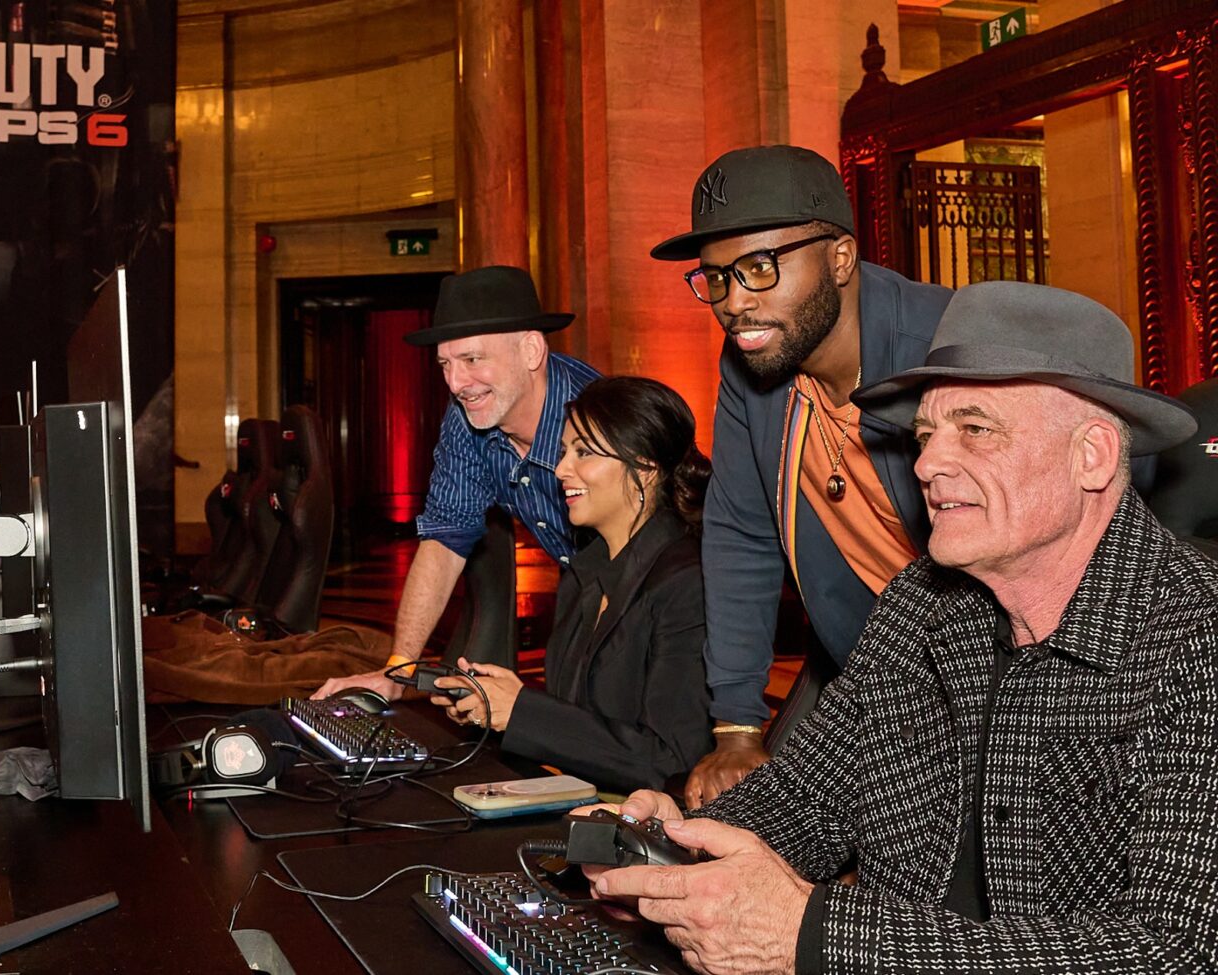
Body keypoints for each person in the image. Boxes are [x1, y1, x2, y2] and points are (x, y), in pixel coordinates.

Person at [584, 282, 1216, 973]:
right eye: (924, 435)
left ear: (1091, 455)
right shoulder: (920, 602)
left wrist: (818, 934)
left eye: (975, 429)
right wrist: (678, 851)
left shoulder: (1197, 638)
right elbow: (807, 796)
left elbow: (1175, 948)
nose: (926, 464)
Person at [649, 145, 952, 805]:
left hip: (994, 688)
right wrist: (735, 726)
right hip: (863, 672)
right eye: (717, 278)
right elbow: (739, 534)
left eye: (759, 268)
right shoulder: (751, 371)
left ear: (840, 257)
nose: (732, 302)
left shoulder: (945, 346)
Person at [314, 266, 600, 702]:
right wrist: (398, 671)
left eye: (472, 359)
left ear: (530, 350)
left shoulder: (595, 416)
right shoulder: (469, 420)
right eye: (446, 364)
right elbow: (445, 539)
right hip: (583, 582)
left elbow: (647, 556)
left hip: (663, 594)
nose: (456, 383)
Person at [429, 376, 713, 793]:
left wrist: (523, 710)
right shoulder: (585, 571)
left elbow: (670, 761)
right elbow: (581, 724)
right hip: (579, 804)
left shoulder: (687, 582)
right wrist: (494, 705)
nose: (562, 469)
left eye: (583, 452)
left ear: (645, 467)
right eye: (564, 452)